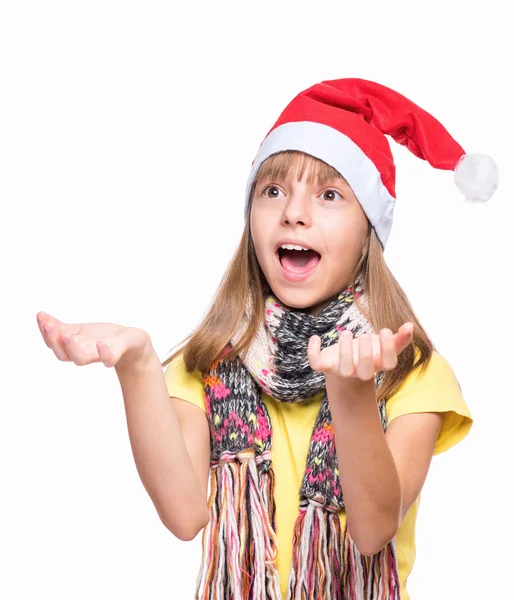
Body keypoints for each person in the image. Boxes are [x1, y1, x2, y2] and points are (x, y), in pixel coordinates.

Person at [37, 77, 499, 600]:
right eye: (273, 190)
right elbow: (185, 513)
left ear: (368, 230)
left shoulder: (411, 372)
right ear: (251, 219)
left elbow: (372, 532)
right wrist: (138, 364)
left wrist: (350, 394)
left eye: (329, 194)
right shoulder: (205, 364)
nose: (294, 212)